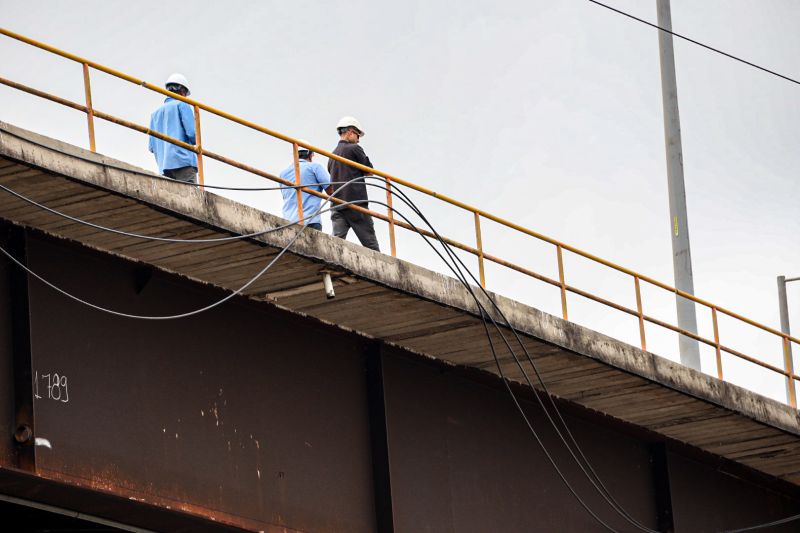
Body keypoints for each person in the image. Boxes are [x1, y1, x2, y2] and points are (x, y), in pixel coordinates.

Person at [326, 116, 380, 251]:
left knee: (336, 244)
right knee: (371, 244)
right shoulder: (354, 148)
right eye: (357, 135)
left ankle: (331, 268)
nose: (358, 139)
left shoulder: (331, 156)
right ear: (350, 132)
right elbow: (369, 171)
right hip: (356, 204)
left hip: (337, 205)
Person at [148, 73, 198, 183]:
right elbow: (193, 135)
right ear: (182, 91)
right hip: (184, 163)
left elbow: (151, 147)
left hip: (164, 168)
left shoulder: (155, 114)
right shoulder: (182, 105)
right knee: (190, 197)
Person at [279, 141, 331, 230]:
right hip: (310, 220)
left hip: (288, 222)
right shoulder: (315, 167)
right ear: (310, 155)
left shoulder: (283, 173)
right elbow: (332, 191)